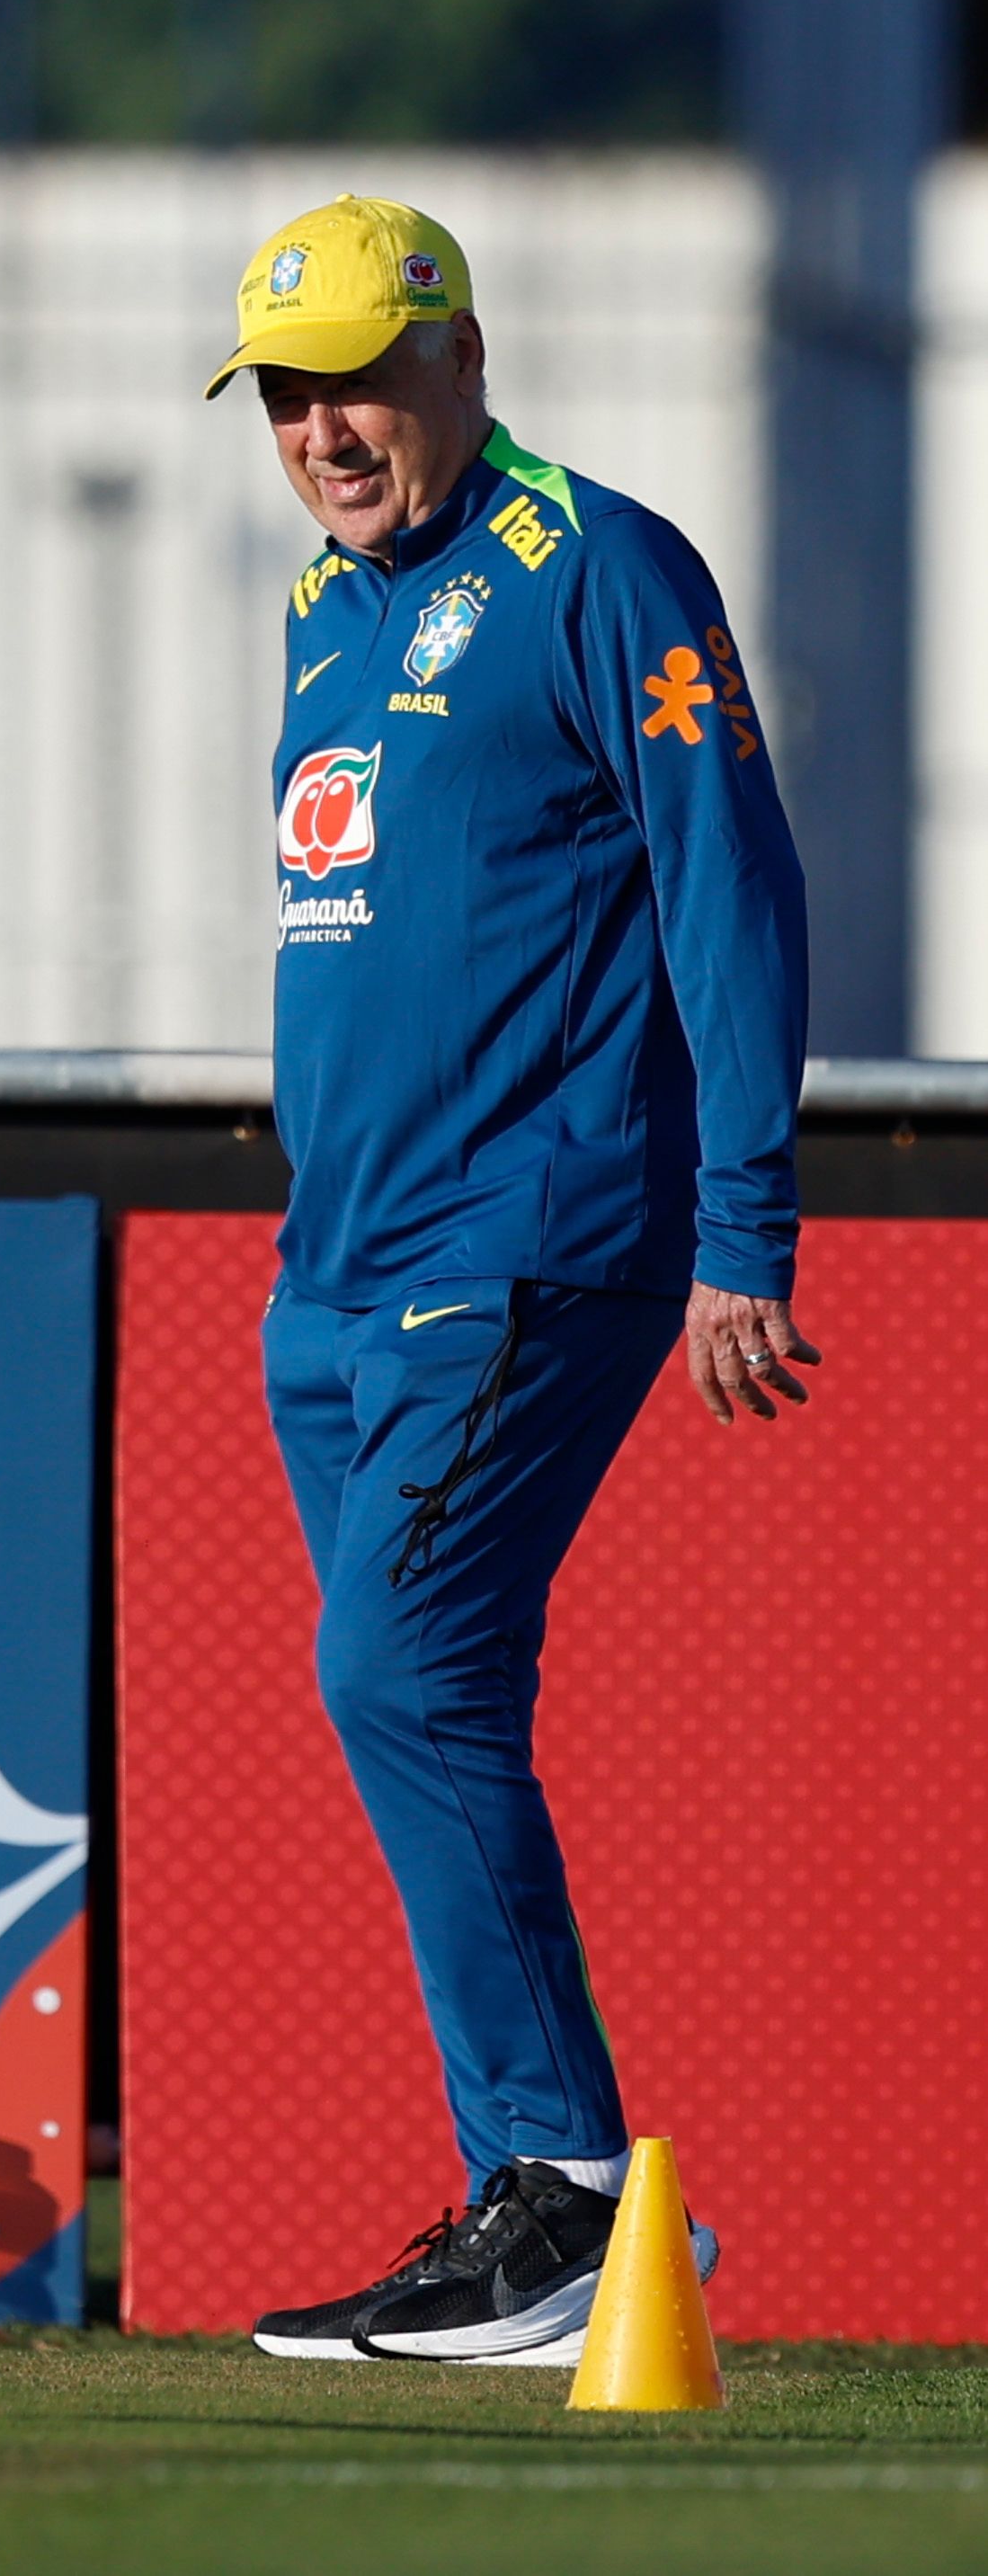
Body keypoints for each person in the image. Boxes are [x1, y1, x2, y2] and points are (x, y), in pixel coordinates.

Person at [209, 198, 803, 2365]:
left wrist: (743, 1221)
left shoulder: (598, 564)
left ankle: (558, 2204)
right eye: (283, 393)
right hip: (336, 1272)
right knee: (414, 1701)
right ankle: (542, 2202)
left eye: (357, 374)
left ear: (463, 352)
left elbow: (726, 887)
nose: (321, 428)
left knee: (398, 1671)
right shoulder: (315, 604)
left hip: (532, 1238)